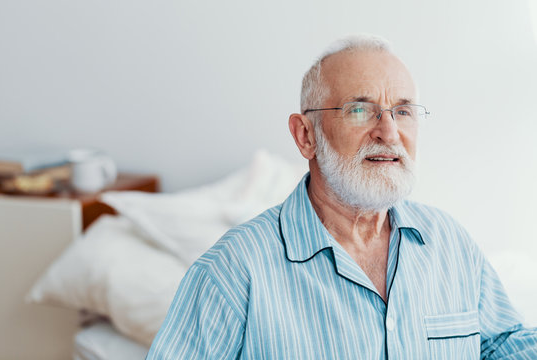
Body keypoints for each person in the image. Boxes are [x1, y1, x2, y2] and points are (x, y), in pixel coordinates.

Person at [147, 34, 537, 359]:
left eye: (402, 112)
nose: (388, 131)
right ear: (305, 136)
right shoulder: (232, 272)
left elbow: (503, 346)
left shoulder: (449, 243)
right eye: (359, 110)